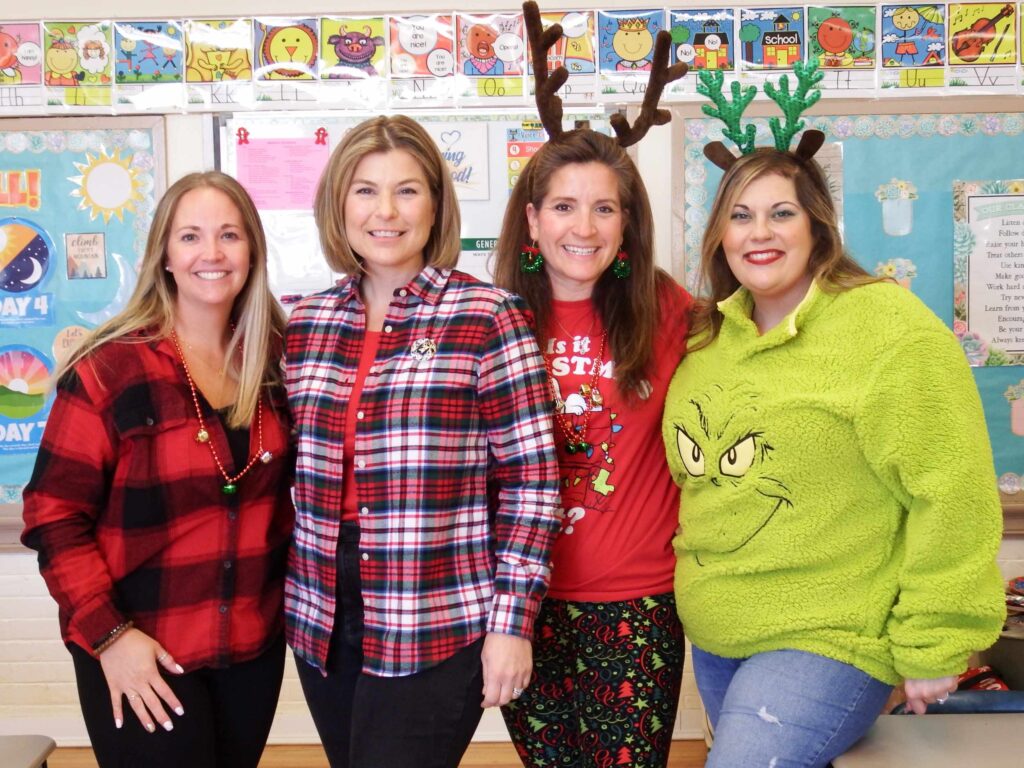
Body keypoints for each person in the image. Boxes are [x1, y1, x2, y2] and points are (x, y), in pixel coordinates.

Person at [661, 146, 1006, 767]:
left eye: (781, 213)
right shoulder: (707, 337)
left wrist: (937, 639)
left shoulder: (886, 327)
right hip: (716, 634)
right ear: (720, 234)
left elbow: (952, 487)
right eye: (740, 216)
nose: (759, 233)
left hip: (830, 634)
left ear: (819, 225)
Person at [284, 114, 561, 768]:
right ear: (337, 205)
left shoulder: (488, 316)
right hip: (321, 611)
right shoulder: (307, 323)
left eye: (407, 190)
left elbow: (533, 483)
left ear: (436, 205)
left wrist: (511, 624)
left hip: (434, 610)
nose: (386, 211)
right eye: (365, 190)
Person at [22, 171, 294, 768]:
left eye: (230, 235)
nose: (213, 254)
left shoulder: (277, 363)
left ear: (253, 250)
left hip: (250, 646)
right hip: (139, 646)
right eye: (191, 237)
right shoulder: (109, 370)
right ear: (165, 255)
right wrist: (110, 637)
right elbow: (53, 519)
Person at [493, 120, 693, 765]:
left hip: (636, 604)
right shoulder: (493, 319)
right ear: (531, 220)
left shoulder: (668, 310)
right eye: (563, 206)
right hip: (524, 604)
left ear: (627, 223)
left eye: (604, 208)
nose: (583, 228)